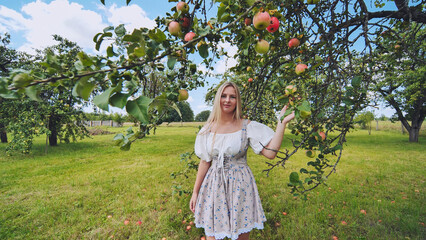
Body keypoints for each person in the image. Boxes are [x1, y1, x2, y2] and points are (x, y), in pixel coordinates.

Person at [189, 82, 295, 240]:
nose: (227, 100)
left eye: (232, 97)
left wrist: (281, 123)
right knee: (212, 234)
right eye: (224, 96)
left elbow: (271, 153)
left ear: (237, 101)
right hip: (214, 185)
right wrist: (195, 192)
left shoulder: (247, 127)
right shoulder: (207, 130)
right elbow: (205, 162)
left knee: (241, 236)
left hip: (240, 186)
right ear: (218, 99)